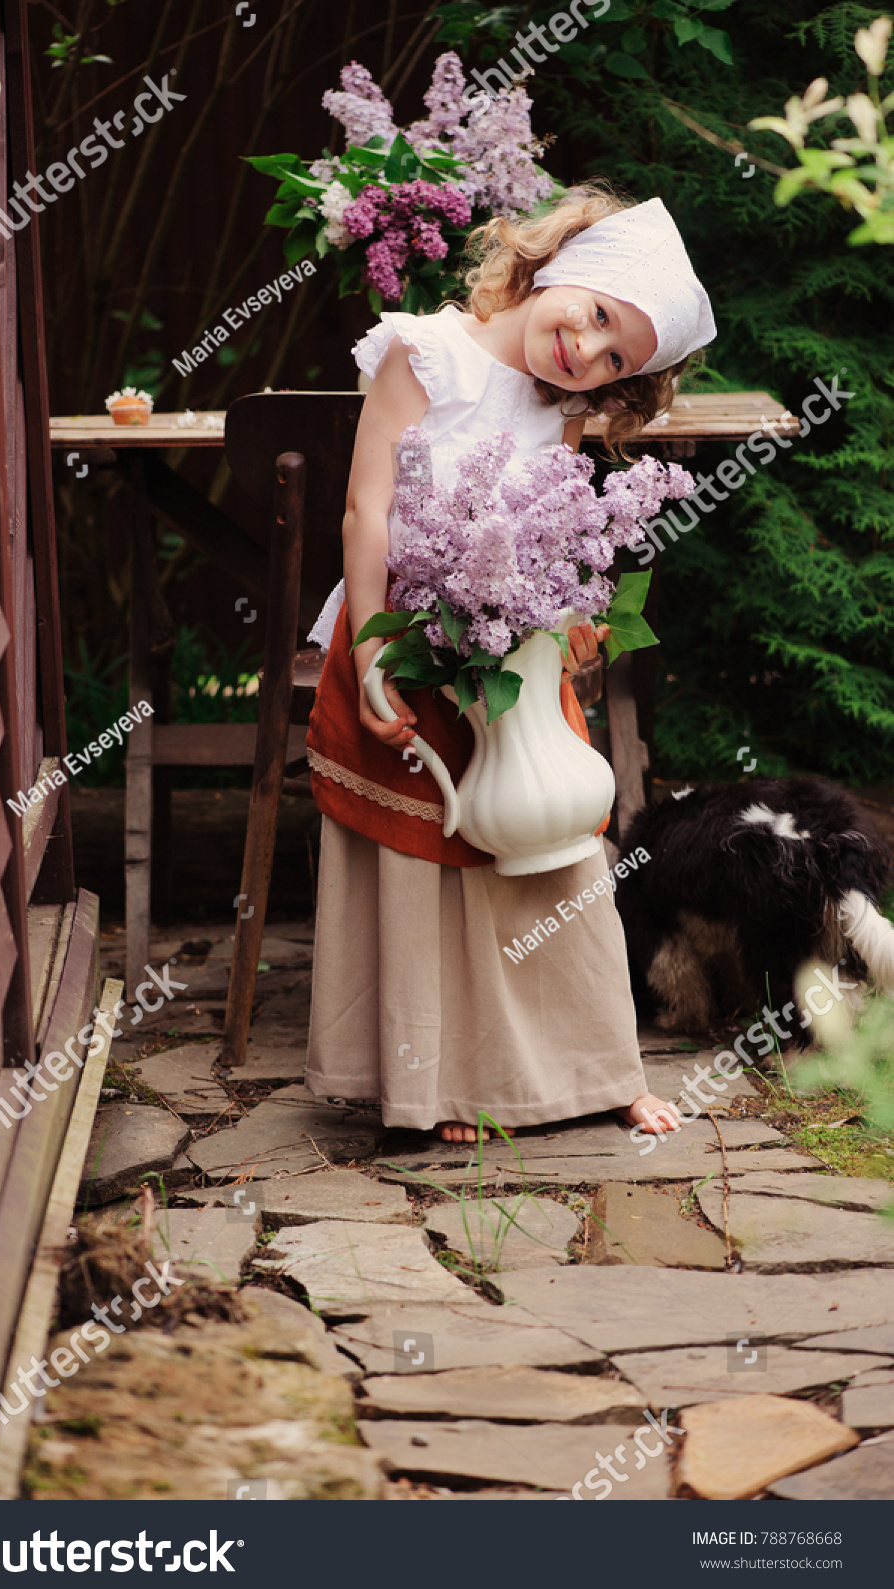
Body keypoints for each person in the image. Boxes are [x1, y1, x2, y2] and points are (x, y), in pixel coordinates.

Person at [304, 187, 716, 1144]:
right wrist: (371, 658)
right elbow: (367, 513)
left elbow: (557, 527)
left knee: (550, 839)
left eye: (618, 358)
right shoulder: (424, 351)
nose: (588, 349)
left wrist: (573, 616)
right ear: (562, 265)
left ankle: (600, 1068)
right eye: (600, 315)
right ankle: (442, 1082)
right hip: (405, 637)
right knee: (429, 861)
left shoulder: (560, 406)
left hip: (513, 656)